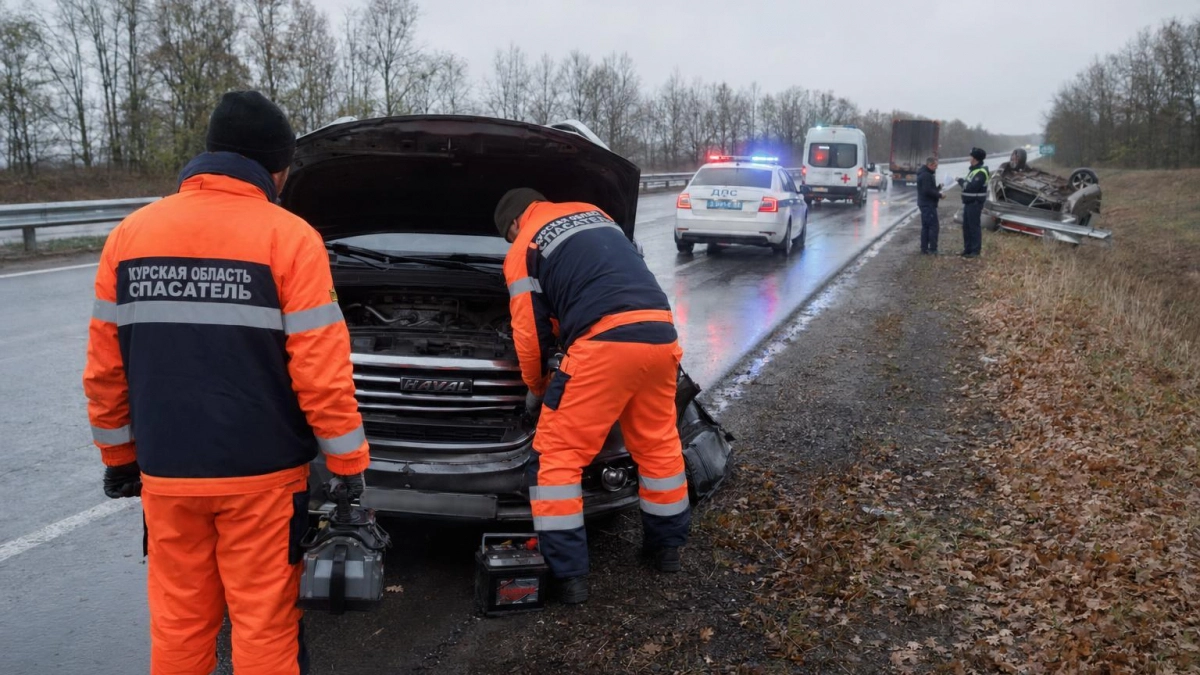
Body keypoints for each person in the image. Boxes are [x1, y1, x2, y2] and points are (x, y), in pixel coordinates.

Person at [83, 91, 369, 675]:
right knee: (263, 627)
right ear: (278, 168)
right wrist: (347, 464)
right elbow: (321, 371)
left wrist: (119, 457)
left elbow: (105, 368)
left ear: (208, 153)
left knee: (180, 624)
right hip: (262, 480)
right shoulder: (290, 239)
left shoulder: (130, 236)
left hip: (168, 474)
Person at [495, 188, 690, 605]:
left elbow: (529, 334)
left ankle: (569, 578)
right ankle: (667, 551)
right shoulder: (593, 211)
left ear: (513, 224)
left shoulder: (523, 245)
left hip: (603, 345)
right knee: (658, 446)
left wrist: (539, 388)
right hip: (660, 333)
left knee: (556, 458)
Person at [956, 147, 990, 258]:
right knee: (966, 227)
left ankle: (975, 251)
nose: (969, 158)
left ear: (975, 158)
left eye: (971, 156)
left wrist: (961, 181)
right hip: (969, 203)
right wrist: (962, 182)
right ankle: (968, 249)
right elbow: (968, 185)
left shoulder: (981, 172)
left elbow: (971, 187)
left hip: (975, 203)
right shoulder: (973, 170)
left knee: (974, 227)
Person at [915, 156, 945, 254]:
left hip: (925, 203)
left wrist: (938, 188)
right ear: (930, 165)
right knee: (933, 226)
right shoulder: (926, 175)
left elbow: (928, 189)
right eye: (935, 166)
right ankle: (932, 248)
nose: (936, 168)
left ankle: (924, 248)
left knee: (926, 226)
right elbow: (927, 191)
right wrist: (939, 195)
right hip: (928, 204)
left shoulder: (925, 174)